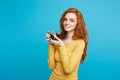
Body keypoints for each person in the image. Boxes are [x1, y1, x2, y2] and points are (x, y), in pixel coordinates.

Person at [46, 8, 88, 80]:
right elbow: (51, 66)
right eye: (65, 19)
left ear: (78, 23)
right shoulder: (60, 39)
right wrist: (51, 43)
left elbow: (68, 69)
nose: (67, 23)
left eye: (71, 20)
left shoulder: (80, 43)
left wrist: (61, 46)